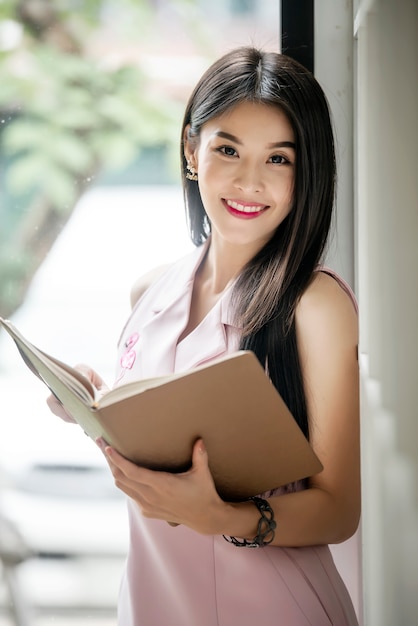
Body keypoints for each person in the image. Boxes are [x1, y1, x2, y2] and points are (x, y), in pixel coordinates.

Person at [49, 46, 360, 625]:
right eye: (227, 150)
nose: (249, 181)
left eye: (279, 160)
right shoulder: (149, 292)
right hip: (154, 598)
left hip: (269, 606)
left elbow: (339, 511)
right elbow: (163, 453)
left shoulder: (315, 305)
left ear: (307, 171)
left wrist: (224, 518)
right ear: (193, 152)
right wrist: (94, 408)